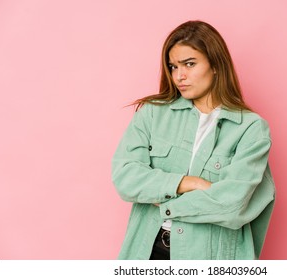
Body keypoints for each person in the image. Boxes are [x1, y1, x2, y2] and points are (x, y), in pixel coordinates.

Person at [111, 20, 275, 260]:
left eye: (189, 64)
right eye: (173, 66)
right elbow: (125, 177)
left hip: (209, 256)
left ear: (216, 65)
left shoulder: (250, 129)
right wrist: (189, 183)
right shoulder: (153, 113)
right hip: (146, 252)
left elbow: (233, 204)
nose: (180, 76)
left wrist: (167, 205)